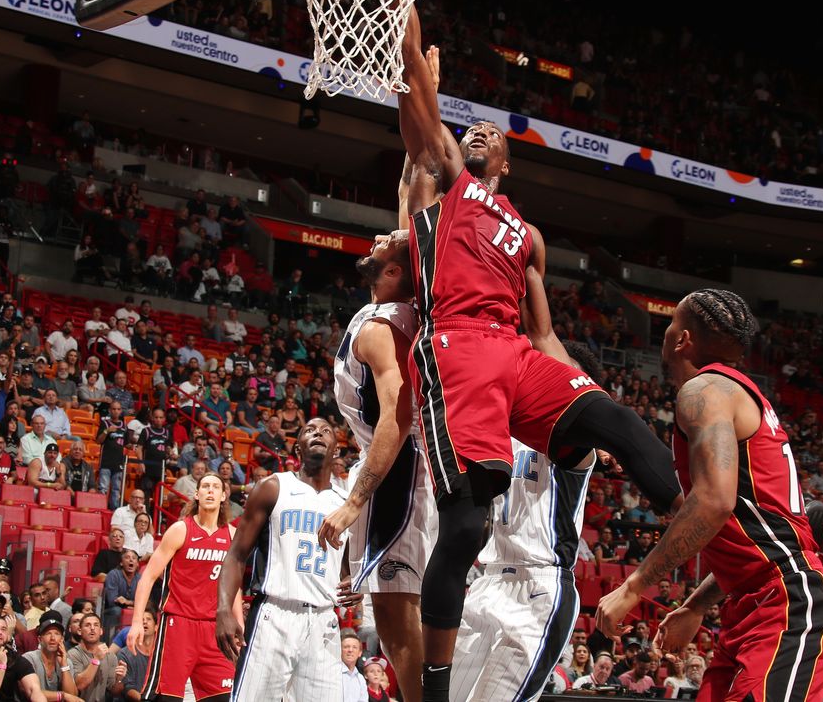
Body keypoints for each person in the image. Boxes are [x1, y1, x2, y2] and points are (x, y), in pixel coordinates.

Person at [390, 17, 681, 700]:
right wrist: (406, 29)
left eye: (495, 132)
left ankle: (713, 522)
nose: (481, 132)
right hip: (457, 344)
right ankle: (435, 689)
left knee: (616, 420)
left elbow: (545, 335)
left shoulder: (529, 235)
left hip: (517, 351)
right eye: (473, 129)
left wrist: (582, 392)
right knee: (466, 522)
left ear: (512, 162)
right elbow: (422, 125)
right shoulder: (454, 184)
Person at [596, 289, 823, 700]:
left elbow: (714, 504)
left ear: (681, 340)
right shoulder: (731, 392)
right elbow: (748, 536)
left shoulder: (704, 391)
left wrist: (632, 587)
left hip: (792, 600)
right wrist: (696, 604)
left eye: (671, 325)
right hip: (755, 600)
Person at [314, 250, 429, 700]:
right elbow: (411, 202)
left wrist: (354, 502)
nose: (380, 237)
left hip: (399, 466)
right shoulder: (392, 312)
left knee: (398, 614)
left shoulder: (383, 329)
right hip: (396, 463)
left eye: (387, 245)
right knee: (392, 614)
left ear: (395, 271)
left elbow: (397, 416)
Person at [450, 436, 594, 702]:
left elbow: (597, 426)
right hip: (489, 581)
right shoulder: (498, 431)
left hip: (539, 582)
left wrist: (608, 443)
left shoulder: (565, 429)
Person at [214, 420, 349, 701]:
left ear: (336, 450)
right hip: (275, 615)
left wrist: (354, 582)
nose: (317, 434)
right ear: (297, 446)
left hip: (324, 620)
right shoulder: (273, 487)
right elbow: (237, 554)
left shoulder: (346, 504)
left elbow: (348, 567)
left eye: (326, 431)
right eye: (309, 430)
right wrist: (224, 609)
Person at [124, 472, 235, 702]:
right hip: (178, 624)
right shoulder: (180, 530)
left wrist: (238, 626)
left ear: (224, 496)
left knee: (224, 698)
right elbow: (147, 578)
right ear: (197, 494)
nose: (210, 490)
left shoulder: (233, 536)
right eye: (205, 486)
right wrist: (136, 622)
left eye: (216, 487)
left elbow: (233, 587)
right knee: (166, 698)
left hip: (214, 629)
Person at [21, 613, 82, 702]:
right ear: (39, 639)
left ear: (62, 639)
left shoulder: (67, 662)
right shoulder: (29, 659)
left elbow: (72, 696)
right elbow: (30, 692)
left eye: (57, 634)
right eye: (48, 633)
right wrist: (62, 695)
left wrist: (64, 665)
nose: (53, 638)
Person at [65, 614, 124, 702]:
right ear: (80, 631)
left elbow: (114, 691)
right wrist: (96, 659)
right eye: (87, 625)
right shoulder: (73, 654)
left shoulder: (110, 656)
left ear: (101, 631)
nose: (92, 628)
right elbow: (79, 685)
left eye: (96, 625)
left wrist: (119, 679)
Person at [99, 552, 138, 630]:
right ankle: (110, 637)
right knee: (117, 610)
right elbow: (112, 601)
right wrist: (134, 604)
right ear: (121, 563)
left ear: (137, 564)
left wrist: (128, 602)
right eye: (127, 557)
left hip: (132, 609)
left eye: (134, 558)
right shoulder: (113, 575)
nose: (131, 560)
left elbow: (147, 603)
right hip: (109, 611)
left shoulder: (140, 579)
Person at [339, 634, 368, 702]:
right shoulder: (332, 673)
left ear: (360, 653)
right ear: (339, 650)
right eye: (346, 647)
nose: (350, 650)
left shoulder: (361, 679)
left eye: (354, 647)